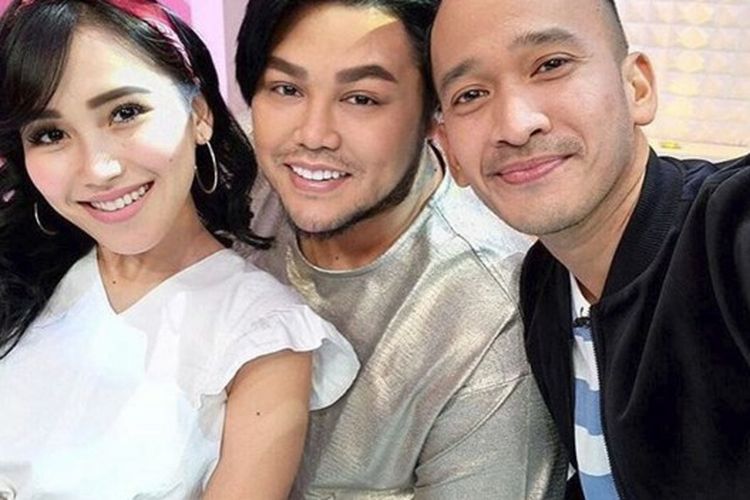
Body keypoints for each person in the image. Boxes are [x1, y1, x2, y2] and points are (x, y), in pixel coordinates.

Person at [0, 1, 359, 498]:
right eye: (51, 134)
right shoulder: (23, 273)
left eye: (125, 113)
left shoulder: (261, 334)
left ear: (199, 115)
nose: (98, 169)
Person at [235, 0, 567, 498]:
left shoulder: (489, 320)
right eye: (286, 89)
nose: (313, 135)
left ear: (435, 114)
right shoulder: (233, 183)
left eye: (361, 99)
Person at [430, 0, 750, 498]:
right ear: (451, 151)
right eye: (470, 94)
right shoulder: (545, 283)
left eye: (551, 65)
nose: (515, 124)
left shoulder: (727, 230)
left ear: (636, 88)